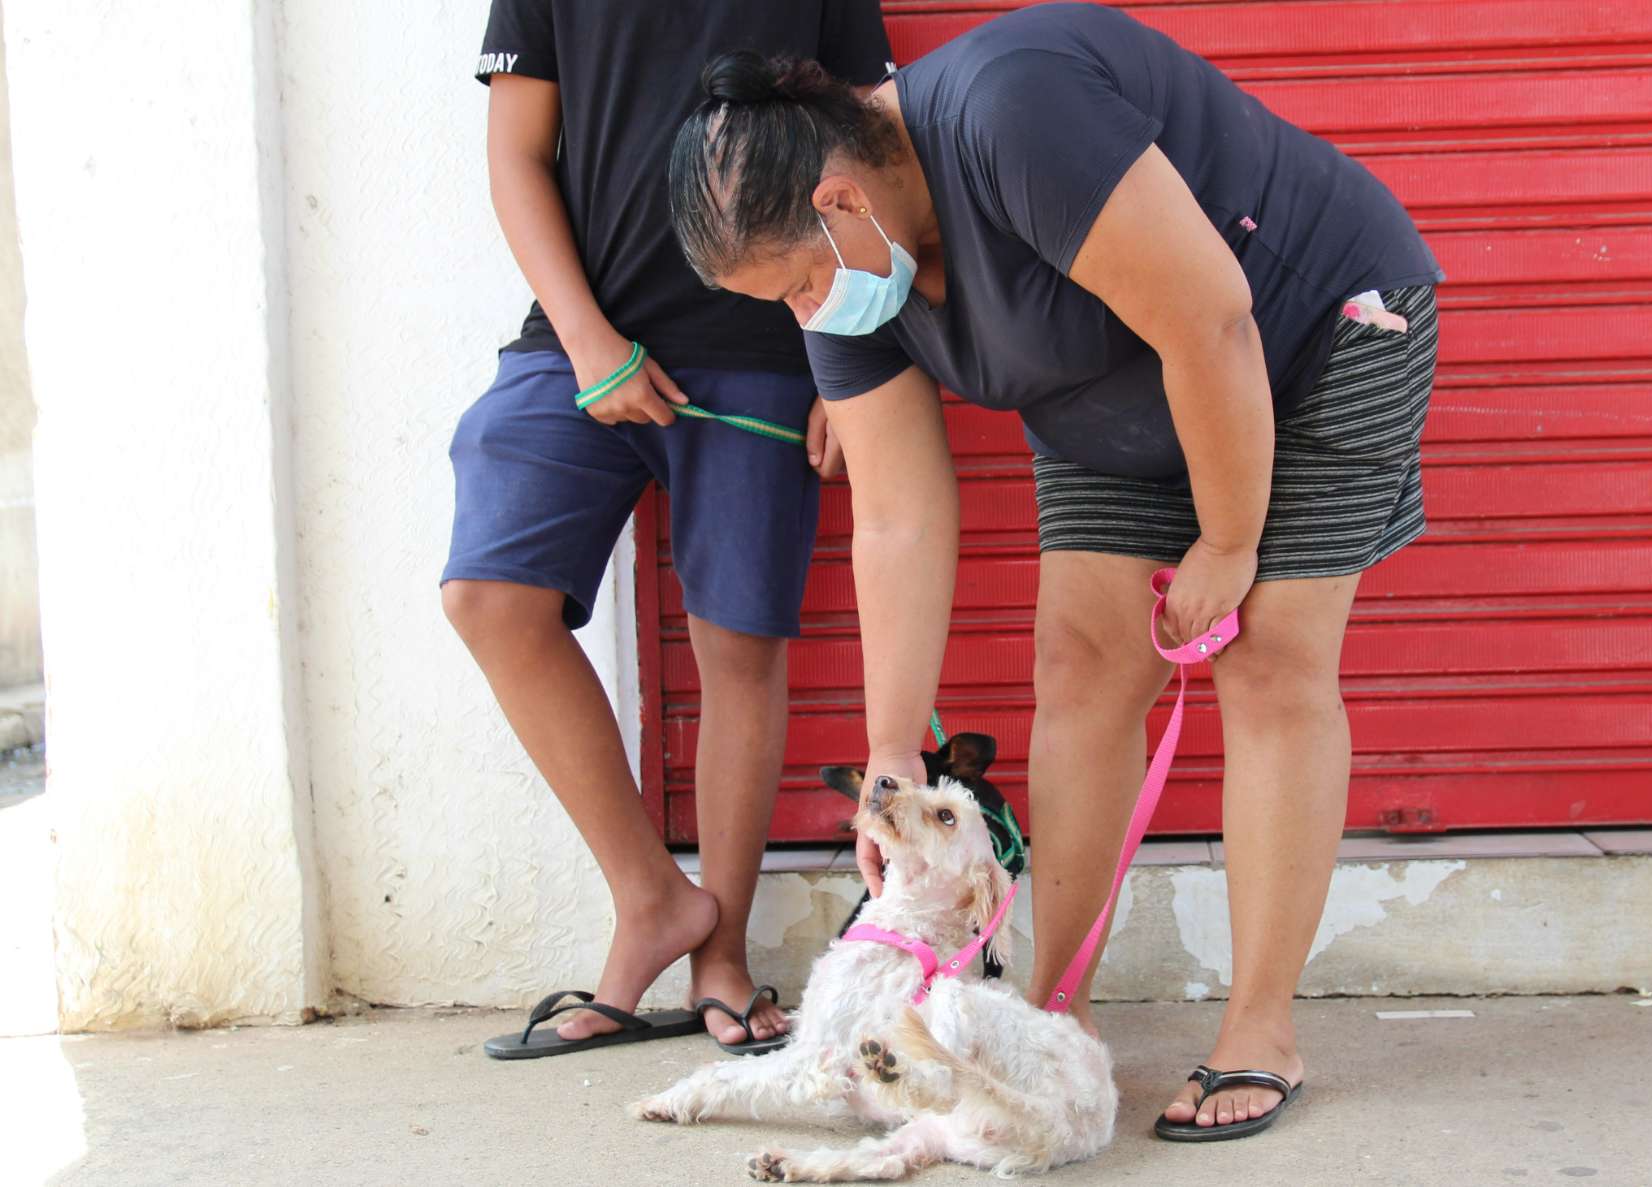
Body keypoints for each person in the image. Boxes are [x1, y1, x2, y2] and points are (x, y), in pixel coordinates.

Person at [666, 1, 1441, 1137]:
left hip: (1310, 332)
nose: (803, 312)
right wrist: (889, 756)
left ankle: (1259, 1028)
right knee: (1079, 666)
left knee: (1270, 657)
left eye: (791, 287)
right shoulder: (848, 272)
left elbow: (1214, 319)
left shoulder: (1008, 110)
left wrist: (1228, 545)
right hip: (1110, 396)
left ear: (838, 203)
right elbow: (895, 508)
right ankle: (1055, 1010)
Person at [441, 1, 890, 1058]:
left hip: (769, 342)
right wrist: (589, 339)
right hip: (579, 337)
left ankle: (721, 952)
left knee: (738, 642)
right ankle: (653, 896)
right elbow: (515, 153)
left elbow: (877, 151)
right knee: (490, 595)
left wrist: (858, 352)